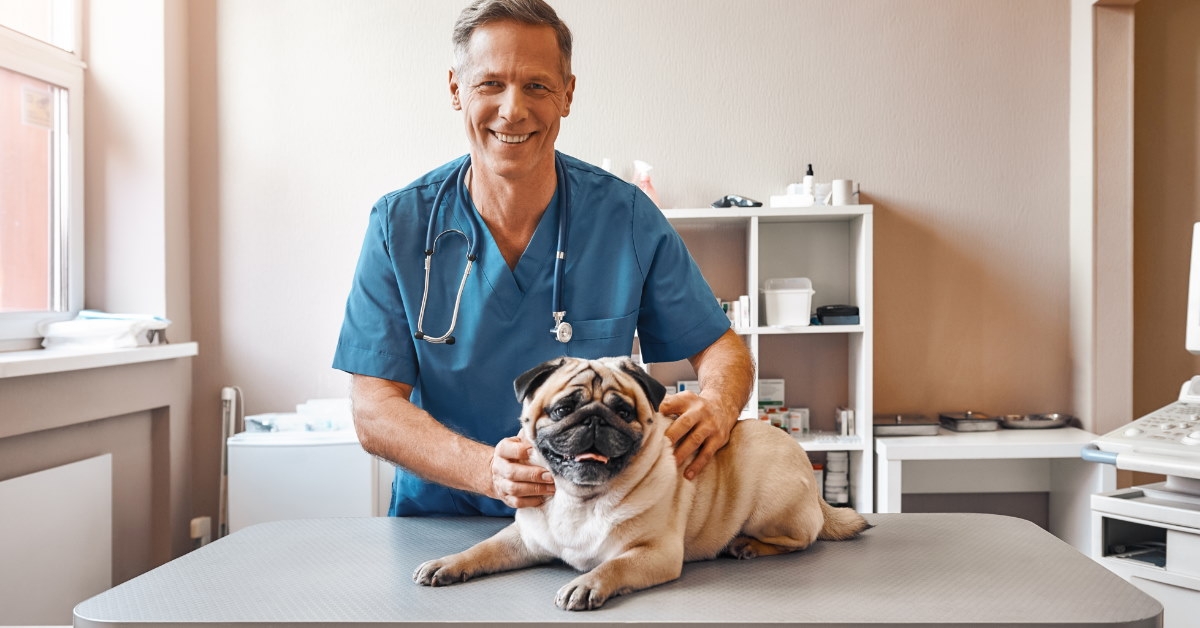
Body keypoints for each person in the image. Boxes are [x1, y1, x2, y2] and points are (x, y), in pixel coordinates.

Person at [333, 0, 754, 516]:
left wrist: (717, 404)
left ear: (567, 94)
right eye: (490, 84)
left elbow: (722, 349)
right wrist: (488, 471)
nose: (513, 110)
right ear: (455, 89)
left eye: (536, 85)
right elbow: (374, 410)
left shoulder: (626, 218)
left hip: (592, 527)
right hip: (443, 526)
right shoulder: (399, 225)